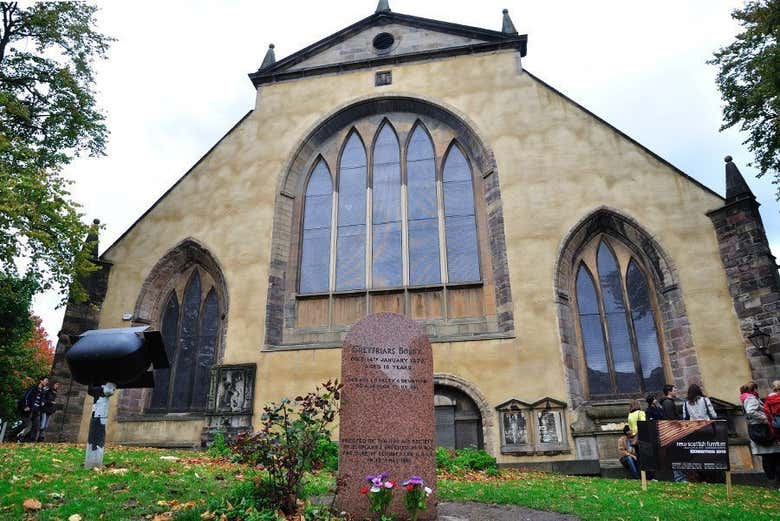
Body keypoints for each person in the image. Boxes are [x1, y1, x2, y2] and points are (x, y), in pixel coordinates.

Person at [741, 381, 780, 485]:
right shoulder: (751, 398)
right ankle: (773, 480)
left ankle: (772, 480)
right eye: (756, 389)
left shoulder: (747, 398)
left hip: (758, 429)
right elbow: (751, 411)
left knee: (769, 456)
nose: (757, 391)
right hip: (761, 429)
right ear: (753, 389)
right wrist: (766, 418)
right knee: (769, 457)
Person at [16, 377, 48, 442]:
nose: (47, 382)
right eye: (46, 380)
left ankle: (32, 441)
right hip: (29, 409)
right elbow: (26, 397)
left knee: (36, 426)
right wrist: (26, 406)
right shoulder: (33, 388)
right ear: (41, 381)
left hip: (36, 411)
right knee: (28, 425)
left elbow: (41, 399)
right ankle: (20, 436)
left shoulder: (42, 391)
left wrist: (42, 403)